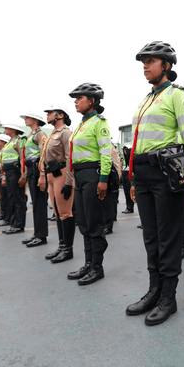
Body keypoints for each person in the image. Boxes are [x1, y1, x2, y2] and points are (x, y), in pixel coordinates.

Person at [126, 41, 184, 326]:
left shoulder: (176, 96)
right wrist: (133, 177)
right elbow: (136, 142)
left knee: (168, 236)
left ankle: (168, 298)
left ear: (167, 65)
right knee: (151, 236)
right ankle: (153, 291)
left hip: (165, 174)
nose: (145, 66)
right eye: (143, 62)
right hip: (144, 174)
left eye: (151, 61)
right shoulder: (146, 100)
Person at [66, 83, 111, 285]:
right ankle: (88, 264)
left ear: (91, 101)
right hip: (80, 176)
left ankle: (97, 267)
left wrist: (103, 180)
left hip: (93, 174)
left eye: (79, 98)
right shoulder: (81, 125)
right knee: (83, 222)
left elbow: (106, 153)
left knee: (94, 223)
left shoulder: (99, 123)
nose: (75, 101)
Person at [39, 104, 76, 264]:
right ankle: (62, 246)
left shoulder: (65, 133)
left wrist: (69, 182)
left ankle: (68, 249)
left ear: (60, 115)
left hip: (61, 174)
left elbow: (70, 158)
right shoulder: (52, 133)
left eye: (49, 113)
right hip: (51, 175)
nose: (47, 116)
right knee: (57, 212)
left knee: (65, 213)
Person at [20, 111, 49, 247]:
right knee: (35, 203)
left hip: (38, 170)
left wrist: (42, 174)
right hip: (31, 170)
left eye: (27, 118)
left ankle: (41, 236)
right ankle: (37, 233)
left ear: (35, 120)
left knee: (40, 204)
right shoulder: (29, 135)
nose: (25, 120)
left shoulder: (40, 134)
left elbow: (43, 154)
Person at [0, 122, 27, 234]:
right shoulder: (9, 142)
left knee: (18, 199)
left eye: (7, 128)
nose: (5, 129)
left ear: (13, 130)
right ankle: (13, 223)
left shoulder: (18, 141)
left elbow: (22, 158)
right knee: (11, 198)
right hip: (8, 172)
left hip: (15, 172)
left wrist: (23, 175)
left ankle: (19, 225)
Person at [103, 144, 121, 235]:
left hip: (111, 175)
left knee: (109, 201)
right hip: (104, 173)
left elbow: (116, 162)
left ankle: (108, 226)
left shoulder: (109, 146)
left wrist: (117, 177)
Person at [121, 146, 135, 214]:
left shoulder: (131, 158)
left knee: (129, 192)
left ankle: (130, 208)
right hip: (124, 175)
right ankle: (128, 207)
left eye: (126, 150)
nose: (124, 152)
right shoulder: (124, 159)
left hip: (128, 175)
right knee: (126, 192)